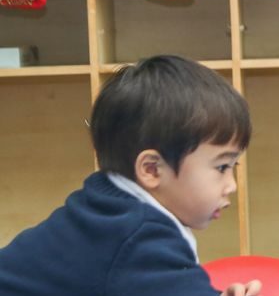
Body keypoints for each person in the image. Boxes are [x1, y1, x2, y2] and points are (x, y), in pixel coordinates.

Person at [0, 55, 260, 296]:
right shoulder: (138, 238)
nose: (231, 186)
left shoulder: (106, 208)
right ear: (151, 169)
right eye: (222, 167)